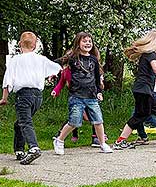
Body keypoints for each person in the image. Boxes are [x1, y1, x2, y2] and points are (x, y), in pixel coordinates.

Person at [1, 31, 61, 164]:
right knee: (20, 123)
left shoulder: (15, 60)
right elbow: (57, 69)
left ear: (19, 44)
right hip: (37, 97)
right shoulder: (41, 59)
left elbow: (7, 81)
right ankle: (19, 150)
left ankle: (34, 148)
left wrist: (4, 98)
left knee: (25, 122)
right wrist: (51, 76)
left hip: (23, 96)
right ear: (35, 46)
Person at [113, 30, 156, 150]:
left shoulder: (146, 54)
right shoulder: (151, 54)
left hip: (142, 90)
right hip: (144, 90)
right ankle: (119, 142)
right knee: (139, 116)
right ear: (155, 41)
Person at [53, 32, 113, 155]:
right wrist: (52, 71)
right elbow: (57, 63)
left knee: (98, 120)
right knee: (74, 122)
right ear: (78, 43)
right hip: (76, 96)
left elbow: (97, 78)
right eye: (84, 41)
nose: (87, 43)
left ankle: (102, 143)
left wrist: (99, 92)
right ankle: (59, 140)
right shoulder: (72, 58)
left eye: (89, 41)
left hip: (91, 96)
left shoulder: (94, 60)